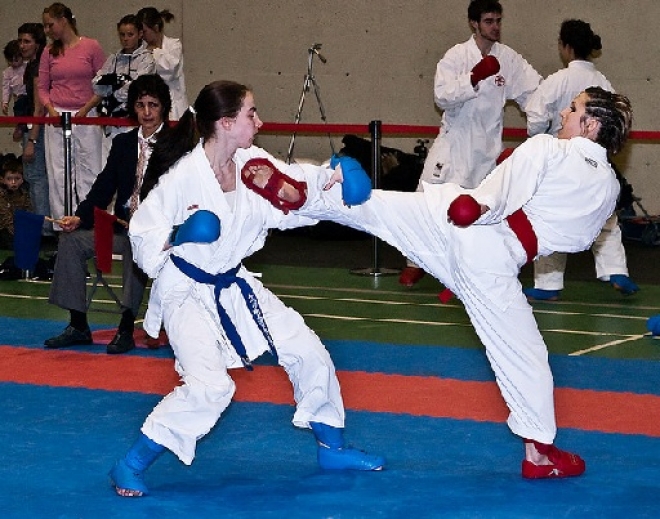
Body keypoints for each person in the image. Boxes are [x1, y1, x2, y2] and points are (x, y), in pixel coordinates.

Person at [282, 86, 631, 479]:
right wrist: (503, 207)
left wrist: (480, 205)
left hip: (457, 223)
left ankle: (291, 189)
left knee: (371, 207)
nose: (564, 115)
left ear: (591, 124)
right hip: (494, 263)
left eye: (573, 109)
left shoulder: (549, 148)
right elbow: (579, 240)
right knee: (525, 356)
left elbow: (495, 197)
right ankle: (539, 455)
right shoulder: (609, 188)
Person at [109, 80, 384, 497]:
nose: (259, 121)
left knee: (308, 350)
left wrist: (335, 177)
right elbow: (143, 235)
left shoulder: (252, 164)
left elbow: (292, 191)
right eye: (250, 114)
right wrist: (180, 234)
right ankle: (129, 464)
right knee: (211, 389)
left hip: (234, 285)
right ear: (225, 122)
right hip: (186, 292)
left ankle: (333, 447)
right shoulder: (184, 177)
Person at [399, 0, 541, 287]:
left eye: (498, 21)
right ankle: (415, 262)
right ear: (474, 23)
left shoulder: (509, 60)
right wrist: (474, 77)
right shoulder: (456, 56)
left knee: (484, 212)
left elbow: (535, 93)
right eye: (489, 21)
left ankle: (475, 269)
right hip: (453, 145)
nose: (495, 27)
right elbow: (441, 96)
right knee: (425, 203)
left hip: (487, 150)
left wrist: (545, 120)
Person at [44, 74, 171, 355]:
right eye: (140, 105)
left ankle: (126, 327)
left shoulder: (175, 145)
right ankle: (78, 324)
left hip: (158, 235)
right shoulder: (123, 143)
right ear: (133, 109)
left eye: (153, 105)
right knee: (71, 240)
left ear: (164, 107)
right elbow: (104, 186)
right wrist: (79, 217)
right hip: (121, 226)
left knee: (134, 246)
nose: (147, 112)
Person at [523, 19, 638, 301]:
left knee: (551, 216)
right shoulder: (602, 83)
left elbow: (536, 117)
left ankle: (548, 284)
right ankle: (616, 270)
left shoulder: (557, 81)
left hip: (561, 160)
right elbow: (618, 119)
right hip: (596, 158)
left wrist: (541, 139)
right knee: (604, 214)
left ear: (566, 47)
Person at [38, 2, 105, 223]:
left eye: (50, 25)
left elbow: (104, 84)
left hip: (86, 113)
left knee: (91, 171)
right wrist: (51, 111)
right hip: (56, 116)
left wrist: (86, 109)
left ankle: (89, 224)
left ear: (63, 20)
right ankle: (62, 226)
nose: (47, 31)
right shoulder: (48, 51)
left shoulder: (91, 46)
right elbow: (42, 87)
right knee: (59, 174)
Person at [93, 14, 155, 142]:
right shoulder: (113, 59)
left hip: (134, 120)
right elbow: (96, 84)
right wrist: (121, 80)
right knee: (109, 160)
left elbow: (135, 89)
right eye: (122, 35)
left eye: (130, 34)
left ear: (140, 34)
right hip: (110, 121)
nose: (125, 39)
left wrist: (112, 85)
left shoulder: (147, 59)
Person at [17, 22, 51, 237]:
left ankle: (44, 229)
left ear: (38, 44)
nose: (21, 45)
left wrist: (32, 140)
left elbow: (39, 106)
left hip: (38, 129)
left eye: (27, 41)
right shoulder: (31, 65)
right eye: (20, 40)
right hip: (33, 126)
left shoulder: (38, 66)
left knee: (36, 176)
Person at [135, 7, 188, 120]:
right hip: (150, 105)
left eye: (144, 32)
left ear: (156, 27)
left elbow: (170, 71)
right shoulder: (141, 50)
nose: (142, 36)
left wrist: (155, 51)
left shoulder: (174, 45)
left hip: (174, 106)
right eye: (140, 32)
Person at [0, 153, 32, 250]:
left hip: (18, 227)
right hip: (4, 228)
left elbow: (28, 211)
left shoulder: (24, 194)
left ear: (22, 180)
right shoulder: (1, 195)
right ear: (3, 180)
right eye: (9, 179)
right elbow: (7, 218)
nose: (13, 182)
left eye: (17, 179)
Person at [2, 39, 28, 142]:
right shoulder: (7, 72)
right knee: (19, 106)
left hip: (29, 95)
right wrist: (5, 102)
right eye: (10, 61)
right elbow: (5, 88)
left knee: (28, 108)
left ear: (22, 56)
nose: (14, 63)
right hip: (19, 97)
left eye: (16, 60)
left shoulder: (27, 66)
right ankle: (20, 125)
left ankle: (23, 126)